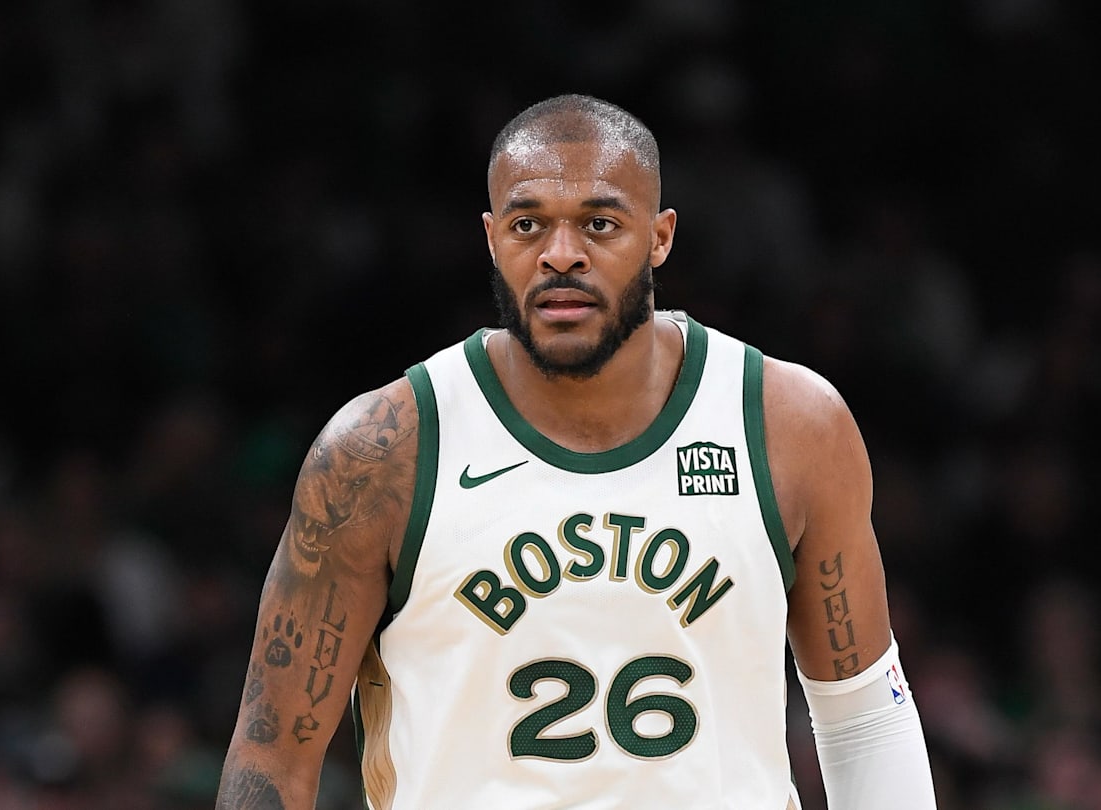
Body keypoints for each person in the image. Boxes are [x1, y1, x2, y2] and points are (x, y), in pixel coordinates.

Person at [216, 93, 936, 809]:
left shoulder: (789, 425)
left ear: (660, 237)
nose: (562, 255)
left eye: (599, 223)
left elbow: (865, 718)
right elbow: (273, 756)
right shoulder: (380, 454)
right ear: (493, 239)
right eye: (530, 225)